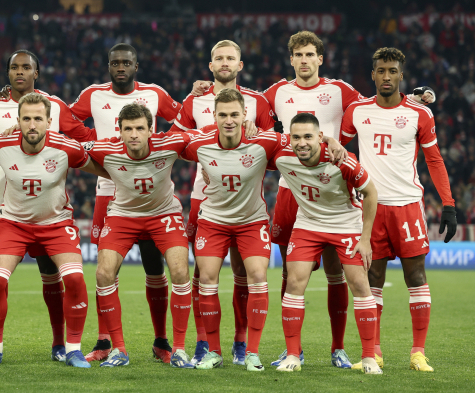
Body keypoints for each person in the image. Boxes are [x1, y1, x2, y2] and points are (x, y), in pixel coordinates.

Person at [192, 30, 434, 369]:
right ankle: (294, 350)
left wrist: (418, 97)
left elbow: (381, 100)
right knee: (290, 272)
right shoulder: (275, 93)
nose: (304, 60)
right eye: (298, 55)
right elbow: (240, 106)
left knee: (338, 272)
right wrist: (204, 91)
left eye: (310, 55)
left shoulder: (340, 91)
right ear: (291, 59)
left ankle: (338, 348)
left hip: (333, 187)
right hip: (292, 190)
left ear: (320, 58)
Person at [0, 92, 110, 367]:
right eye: (27, 119)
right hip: (12, 224)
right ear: (17, 121)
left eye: (38, 119)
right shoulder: (1, 145)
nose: (32, 125)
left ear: (49, 121)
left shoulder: (67, 147)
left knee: (75, 280)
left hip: (55, 224)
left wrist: (134, 173)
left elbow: (98, 168)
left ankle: (73, 349)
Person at [340, 47, 457, 372]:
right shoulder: (357, 111)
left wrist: (448, 204)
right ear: (373, 74)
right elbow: (337, 150)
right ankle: (374, 352)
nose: (387, 76)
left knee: (416, 277)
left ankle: (418, 353)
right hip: (370, 209)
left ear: (401, 75)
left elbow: (434, 159)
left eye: (393, 70)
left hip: (407, 207)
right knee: (372, 279)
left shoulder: (421, 114)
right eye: (381, 70)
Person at [70, 43, 182, 363]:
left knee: (153, 265)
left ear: (136, 65)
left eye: (126, 62)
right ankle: (106, 343)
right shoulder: (93, 95)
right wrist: (91, 140)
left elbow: (184, 120)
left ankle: (161, 340)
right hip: (109, 188)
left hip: (149, 191)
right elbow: (63, 119)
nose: (121, 66)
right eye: (115, 62)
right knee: (107, 270)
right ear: (108, 66)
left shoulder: (155, 94)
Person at [170, 40, 277, 365]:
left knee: (247, 275)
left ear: (240, 64)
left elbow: (274, 143)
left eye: (231, 58)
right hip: (207, 199)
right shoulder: (194, 100)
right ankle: (205, 344)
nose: (225, 62)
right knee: (204, 275)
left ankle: (243, 343)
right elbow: (174, 139)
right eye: (219, 58)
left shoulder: (258, 101)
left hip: (245, 198)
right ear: (211, 65)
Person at [270, 113, 381, 374]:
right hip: (308, 223)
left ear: (320, 138)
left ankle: (368, 358)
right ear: (289, 138)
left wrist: (365, 240)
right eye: (296, 137)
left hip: (345, 223)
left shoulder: (342, 160)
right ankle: (293, 356)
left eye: (308, 136)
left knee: (360, 285)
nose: (302, 143)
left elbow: (371, 193)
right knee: (294, 283)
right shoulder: (281, 154)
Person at [85, 103, 194, 368]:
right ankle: (119, 350)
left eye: (139, 128)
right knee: (103, 273)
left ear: (150, 130)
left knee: (180, 271)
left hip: (163, 214)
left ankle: (178, 349)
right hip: (123, 215)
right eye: (128, 129)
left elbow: (207, 135)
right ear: (119, 131)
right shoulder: (104, 149)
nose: (134, 134)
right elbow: (69, 151)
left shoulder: (170, 144)